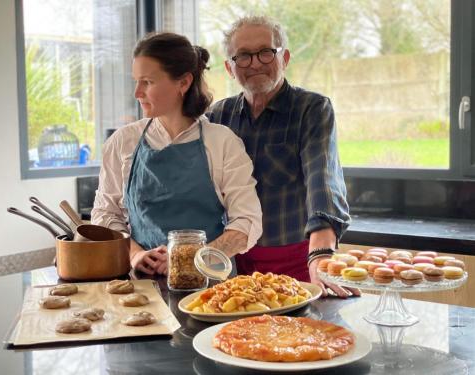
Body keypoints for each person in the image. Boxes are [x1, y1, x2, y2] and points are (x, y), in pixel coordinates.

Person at [207, 16, 357, 298]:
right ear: (229, 67)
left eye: (266, 52)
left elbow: (322, 179)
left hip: (299, 263)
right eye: (243, 56)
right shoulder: (217, 116)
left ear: (284, 57)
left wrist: (322, 252)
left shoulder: (311, 108)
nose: (255, 63)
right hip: (233, 266)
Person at [91, 32, 262, 276]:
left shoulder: (222, 142)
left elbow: (247, 222)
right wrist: (135, 253)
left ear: (183, 83)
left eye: (147, 82)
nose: (137, 92)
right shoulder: (122, 142)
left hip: (210, 286)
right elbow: (105, 214)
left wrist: (193, 260)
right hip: (142, 284)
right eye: (136, 81)